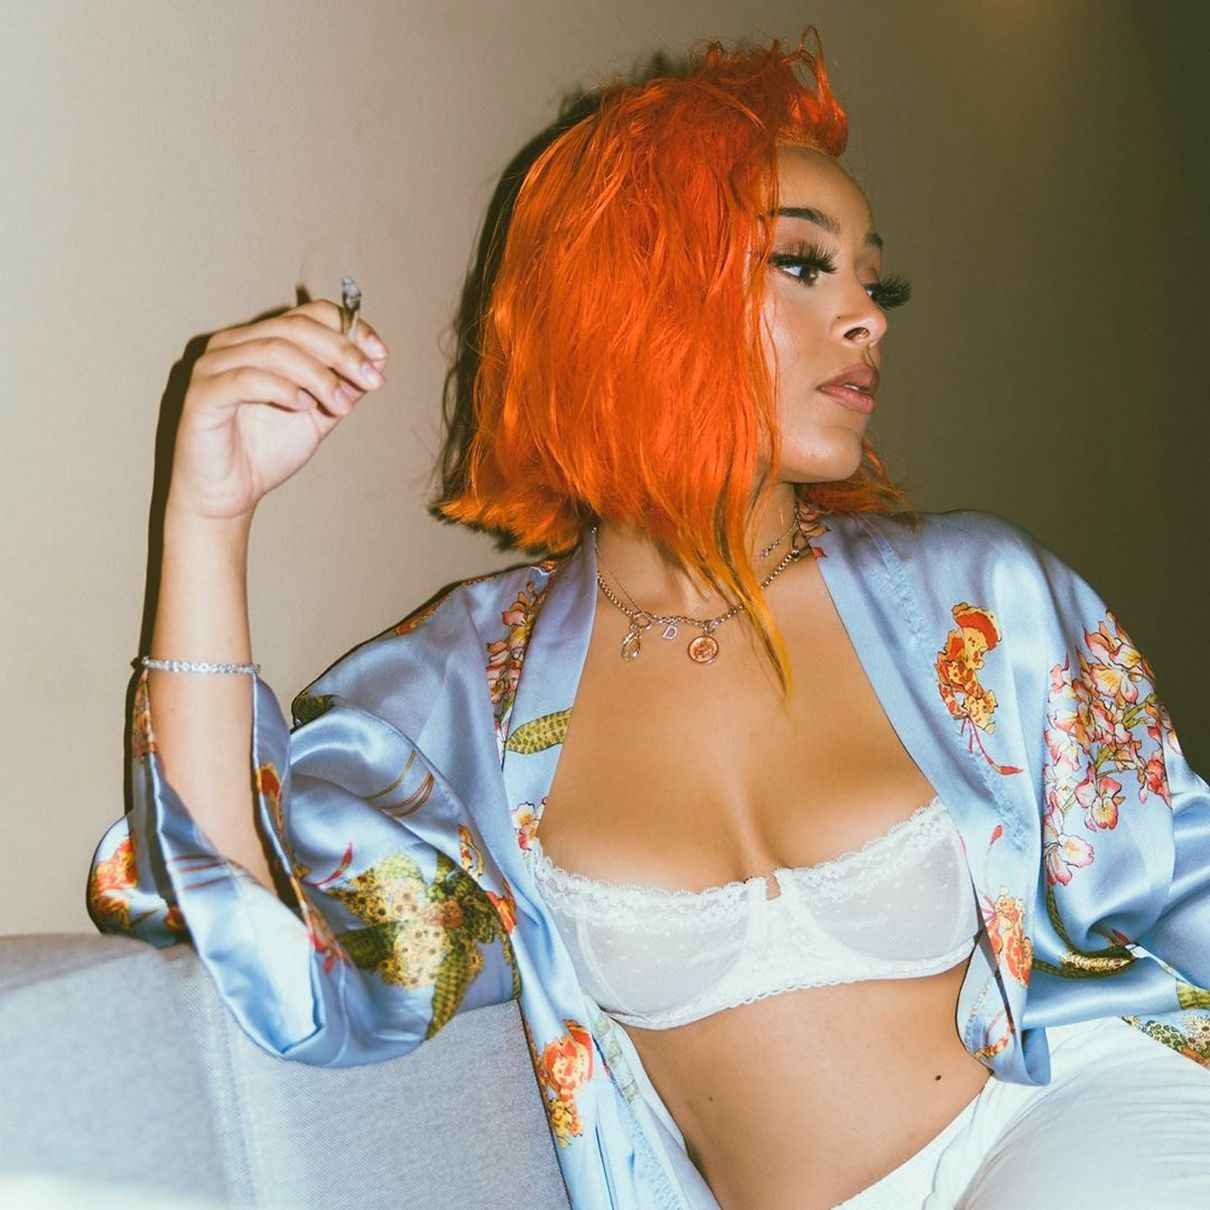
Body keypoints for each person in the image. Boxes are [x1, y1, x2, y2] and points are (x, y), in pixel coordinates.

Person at [87, 28, 1210, 1210]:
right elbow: (247, 917)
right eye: (801, 264)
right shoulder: (469, 693)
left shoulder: (978, 600)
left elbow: (1178, 875)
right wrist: (207, 515)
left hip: (1065, 1117)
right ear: (634, 294)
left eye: (873, 281)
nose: (867, 317)